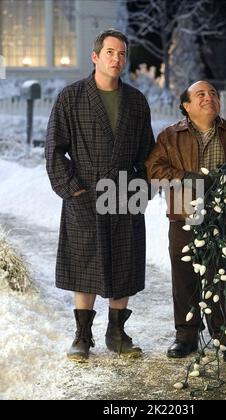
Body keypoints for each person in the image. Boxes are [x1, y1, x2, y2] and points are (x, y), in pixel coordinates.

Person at [45, 29, 155, 361]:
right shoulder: (71, 97)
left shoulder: (136, 100)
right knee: (85, 262)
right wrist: (71, 188)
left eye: (121, 54)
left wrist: (142, 186)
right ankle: (82, 335)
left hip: (124, 191)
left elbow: (148, 153)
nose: (116, 59)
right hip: (86, 193)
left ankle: (117, 333)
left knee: (124, 260)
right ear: (95, 56)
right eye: (110, 52)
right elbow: (54, 149)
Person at [146, 81, 226, 363]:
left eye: (213, 93)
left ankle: (225, 337)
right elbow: (153, 169)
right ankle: (186, 336)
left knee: (222, 276)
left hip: (223, 216)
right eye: (200, 94)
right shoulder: (170, 136)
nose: (208, 97)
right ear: (186, 106)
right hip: (184, 214)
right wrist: (185, 178)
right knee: (185, 274)